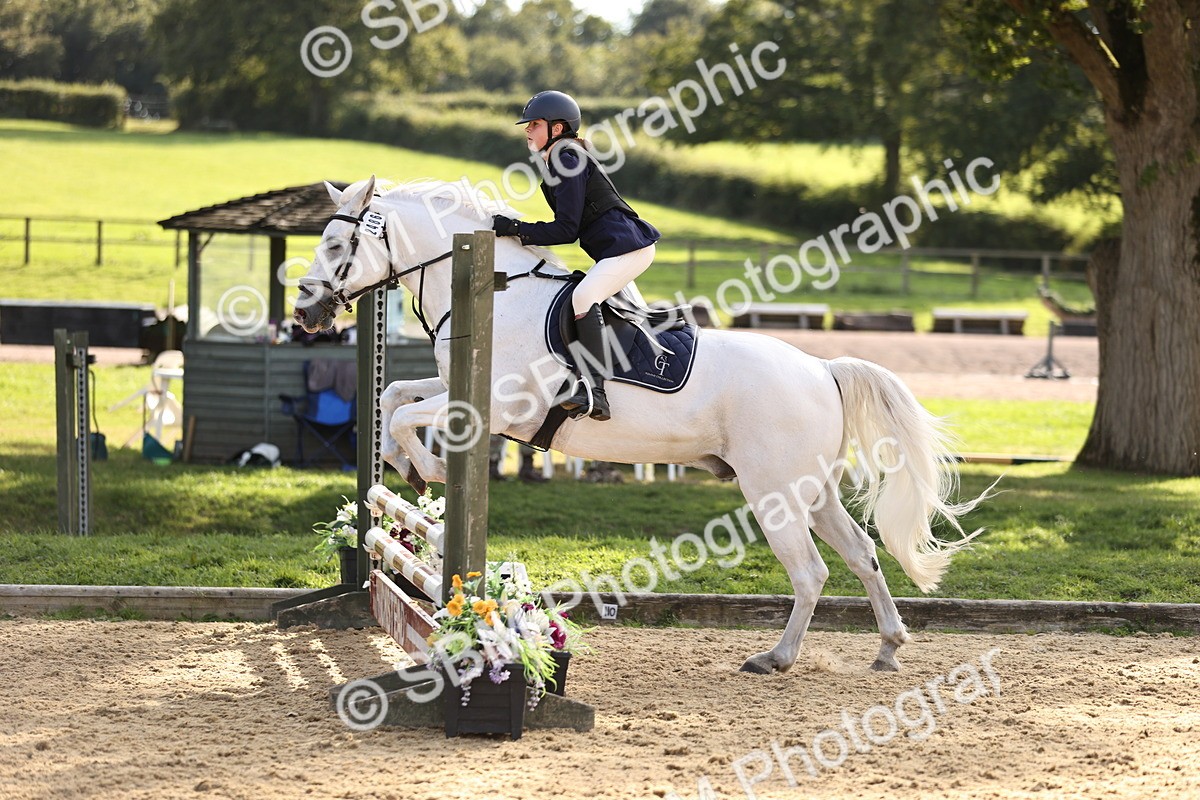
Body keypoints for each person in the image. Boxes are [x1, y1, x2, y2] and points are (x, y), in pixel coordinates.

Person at [491, 90, 661, 422]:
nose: (527, 130)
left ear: (557, 128)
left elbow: (566, 230)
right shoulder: (561, 157)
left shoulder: (566, 158)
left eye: (535, 124)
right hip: (617, 251)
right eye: (528, 125)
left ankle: (594, 390)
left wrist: (516, 228)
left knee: (583, 296)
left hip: (628, 248)